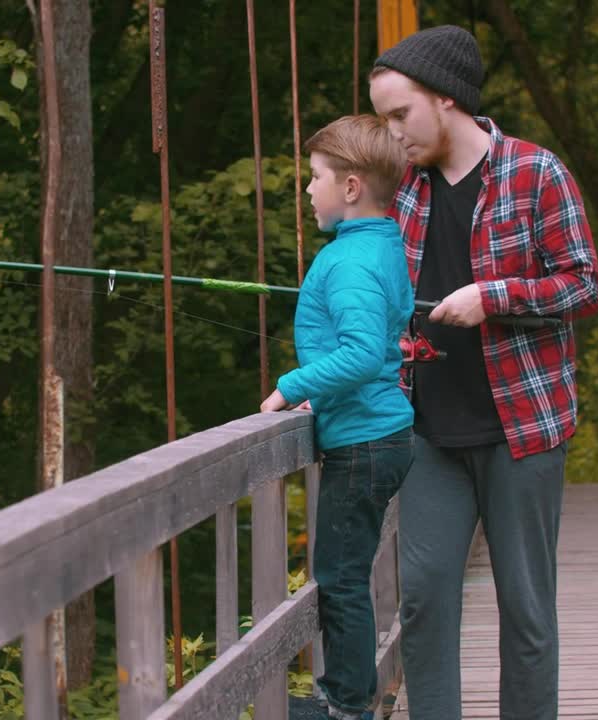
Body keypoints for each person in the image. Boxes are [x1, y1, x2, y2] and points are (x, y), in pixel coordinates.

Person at [367, 24, 598, 720]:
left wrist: (494, 297)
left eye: (399, 115)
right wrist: (318, 380)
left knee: (526, 612)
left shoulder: (536, 173)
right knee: (425, 596)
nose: (392, 133)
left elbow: (585, 285)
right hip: (429, 434)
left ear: (444, 101)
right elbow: (374, 303)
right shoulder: (401, 191)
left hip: (522, 432)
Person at [260, 114, 414, 720]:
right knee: (345, 570)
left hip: (365, 442)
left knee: (341, 577)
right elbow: (372, 351)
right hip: (379, 433)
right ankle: (346, 697)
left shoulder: (348, 262)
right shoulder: (380, 246)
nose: (307, 188)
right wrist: (318, 397)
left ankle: (346, 705)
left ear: (350, 187)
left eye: (315, 176)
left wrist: (289, 387)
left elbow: (358, 352)